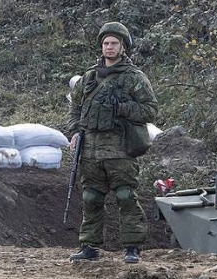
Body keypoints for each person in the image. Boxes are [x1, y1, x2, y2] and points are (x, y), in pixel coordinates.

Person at [65, 21, 158, 264]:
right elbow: (75, 109)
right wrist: (75, 131)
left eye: (114, 43)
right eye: (106, 43)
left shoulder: (134, 78)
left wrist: (122, 108)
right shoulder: (89, 77)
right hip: (91, 150)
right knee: (91, 198)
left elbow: (150, 111)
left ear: (123, 46)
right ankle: (89, 246)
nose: (109, 47)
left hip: (120, 149)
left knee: (126, 196)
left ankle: (132, 247)